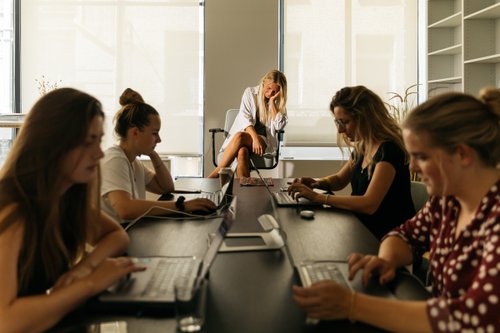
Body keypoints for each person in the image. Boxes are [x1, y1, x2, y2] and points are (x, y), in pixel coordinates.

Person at [292, 88, 500, 332]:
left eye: (421, 157)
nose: (412, 166)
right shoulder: (446, 202)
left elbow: (471, 319)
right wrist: (386, 260)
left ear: (463, 155)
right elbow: (404, 235)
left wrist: (352, 304)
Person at [0, 88, 144, 332]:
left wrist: (83, 269)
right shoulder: (14, 210)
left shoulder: (63, 198)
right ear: (53, 142)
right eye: (88, 141)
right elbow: (6, 320)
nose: (99, 154)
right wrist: (89, 283)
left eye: (99, 141)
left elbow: (116, 235)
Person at [288, 85, 415, 239]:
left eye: (345, 122)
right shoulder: (364, 146)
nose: (340, 130)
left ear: (366, 118)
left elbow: (369, 204)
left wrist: (317, 197)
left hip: (388, 239)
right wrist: (317, 183)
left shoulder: (390, 150)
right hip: (363, 228)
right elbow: (340, 180)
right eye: (338, 123)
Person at [101, 88, 216, 222]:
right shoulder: (114, 159)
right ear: (135, 133)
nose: (159, 140)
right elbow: (125, 209)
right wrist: (182, 206)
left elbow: (166, 188)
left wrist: (153, 155)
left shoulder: (133, 162)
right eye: (154, 133)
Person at [208, 69, 288, 178]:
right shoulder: (250, 93)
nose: (270, 93)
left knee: (240, 136)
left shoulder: (278, 102)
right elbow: (245, 119)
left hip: (263, 141)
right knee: (242, 152)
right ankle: (245, 188)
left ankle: (214, 175)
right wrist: (254, 138)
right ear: (264, 82)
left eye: (274, 91)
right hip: (249, 137)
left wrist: (273, 103)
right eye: (269, 88)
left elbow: (279, 126)